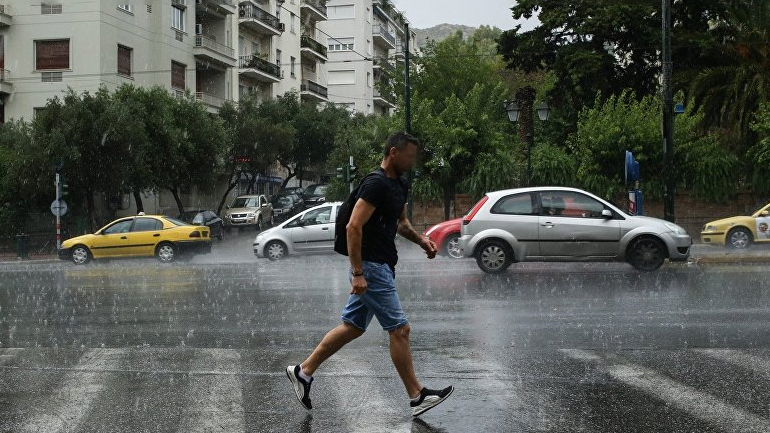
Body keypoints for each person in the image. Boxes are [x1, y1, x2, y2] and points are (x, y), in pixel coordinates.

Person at [286, 132, 454, 417]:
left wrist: (422, 240)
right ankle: (417, 395)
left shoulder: (400, 183)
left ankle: (303, 371)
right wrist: (358, 272)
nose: (412, 161)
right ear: (392, 152)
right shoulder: (375, 184)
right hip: (371, 267)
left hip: (384, 265)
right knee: (400, 329)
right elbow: (354, 227)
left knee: (353, 326)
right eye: (409, 155)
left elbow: (400, 222)